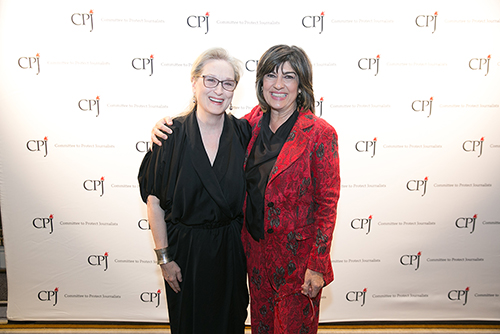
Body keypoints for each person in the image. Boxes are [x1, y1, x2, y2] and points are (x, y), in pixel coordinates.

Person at [151, 45, 340, 334]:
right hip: (254, 257)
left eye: (289, 77)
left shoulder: (319, 134)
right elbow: (206, 123)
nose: (278, 85)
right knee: (260, 328)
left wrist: (317, 264)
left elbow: (327, 205)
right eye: (271, 75)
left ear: (301, 85)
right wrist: (166, 124)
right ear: (260, 82)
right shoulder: (251, 124)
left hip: (297, 264)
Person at [138, 48, 250, 334]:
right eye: (210, 80)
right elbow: (154, 202)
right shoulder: (169, 135)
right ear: (194, 82)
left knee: (230, 324)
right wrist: (164, 259)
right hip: (185, 255)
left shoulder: (244, 133)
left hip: (230, 253)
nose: (219, 90)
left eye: (228, 83)